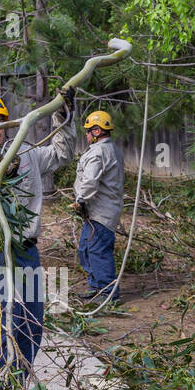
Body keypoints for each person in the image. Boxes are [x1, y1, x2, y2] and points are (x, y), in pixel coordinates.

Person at [0, 89, 74, 390]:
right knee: (0, 328)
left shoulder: (27, 153)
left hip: (27, 253)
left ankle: (17, 387)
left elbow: (62, 154)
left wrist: (63, 114)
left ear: (8, 124)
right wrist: (1, 172)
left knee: (32, 325)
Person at [72, 109, 125, 303]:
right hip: (98, 212)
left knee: (98, 251)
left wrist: (80, 200)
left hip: (101, 212)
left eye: (87, 131)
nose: (85, 135)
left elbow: (90, 181)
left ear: (96, 131)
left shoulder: (98, 152)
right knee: (86, 249)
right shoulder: (111, 149)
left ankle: (108, 294)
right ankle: (96, 287)